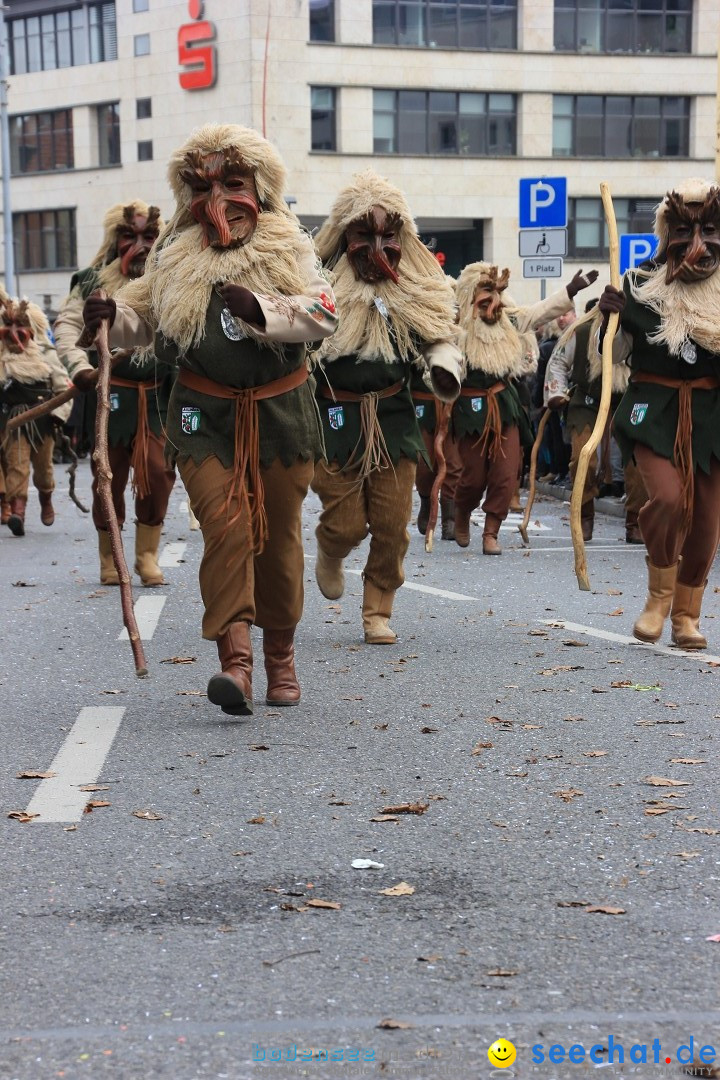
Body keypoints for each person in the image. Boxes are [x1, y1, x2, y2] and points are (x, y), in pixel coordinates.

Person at [81, 123, 338, 714]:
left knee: (276, 541)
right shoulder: (175, 257)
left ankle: (280, 657)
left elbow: (324, 314)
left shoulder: (288, 245)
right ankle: (236, 663)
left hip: (281, 415)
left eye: (234, 183)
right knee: (226, 530)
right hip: (201, 416)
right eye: (202, 187)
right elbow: (141, 321)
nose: (217, 200)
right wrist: (109, 313)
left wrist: (265, 309)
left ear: (261, 188)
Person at [311, 170, 462, 643]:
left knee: (394, 525)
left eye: (388, 236)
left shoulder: (415, 293)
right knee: (347, 522)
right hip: (334, 418)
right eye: (364, 234)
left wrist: (443, 369)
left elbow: (439, 338)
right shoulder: (317, 287)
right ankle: (330, 548)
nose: (378, 246)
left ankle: (378, 610)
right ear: (343, 237)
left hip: (393, 419)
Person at [599, 178, 720, 649]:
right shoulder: (638, 283)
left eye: (709, 229)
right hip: (653, 410)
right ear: (665, 232)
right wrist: (607, 318)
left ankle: (686, 616)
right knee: (667, 499)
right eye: (685, 231)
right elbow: (611, 354)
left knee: (708, 520)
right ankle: (657, 597)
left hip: (711, 416)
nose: (697, 244)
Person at [54, 199, 175, 587]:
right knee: (108, 478)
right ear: (114, 241)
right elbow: (68, 327)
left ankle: (146, 556)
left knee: (158, 474)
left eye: (149, 236)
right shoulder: (92, 281)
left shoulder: (173, 280)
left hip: (158, 398)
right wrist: (81, 368)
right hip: (113, 394)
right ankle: (110, 558)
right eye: (129, 236)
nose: (140, 245)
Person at [453, 262, 598, 554]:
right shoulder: (456, 328)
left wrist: (571, 289)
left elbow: (541, 310)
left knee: (507, 474)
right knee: (472, 477)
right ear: (470, 298)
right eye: (485, 298)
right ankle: (462, 511)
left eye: (497, 296)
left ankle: (491, 531)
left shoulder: (511, 320)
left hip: (505, 405)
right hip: (470, 408)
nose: (493, 305)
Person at [544, 297, 646, 543]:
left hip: (628, 401)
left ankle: (635, 522)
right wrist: (556, 393)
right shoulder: (580, 332)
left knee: (639, 463)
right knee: (583, 460)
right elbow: (557, 361)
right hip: (587, 403)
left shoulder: (637, 330)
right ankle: (585, 516)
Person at [0, 294, 72, 535]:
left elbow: (63, 388)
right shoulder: (2, 357)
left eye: (19, 326)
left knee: (43, 470)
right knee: (16, 467)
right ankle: (18, 512)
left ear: (30, 328)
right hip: (14, 421)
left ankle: (46, 498)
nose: (13, 331)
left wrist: (57, 415)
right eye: (7, 325)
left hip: (43, 421)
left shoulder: (46, 354)